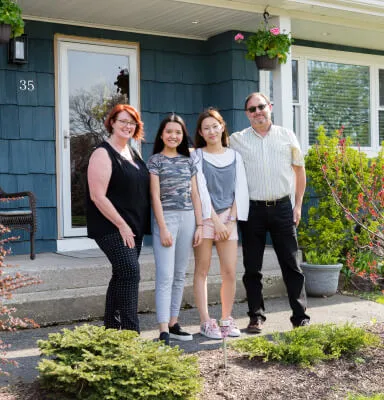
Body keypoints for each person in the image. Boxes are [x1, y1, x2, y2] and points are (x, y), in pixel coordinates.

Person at [230, 92, 310, 333]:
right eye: (252, 109)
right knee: (252, 267)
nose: (257, 112)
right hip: (252, 211)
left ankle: (300, 316)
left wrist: (298, 205)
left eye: (261, 107)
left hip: (282, 208)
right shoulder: (237, 139)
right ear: (247, 114)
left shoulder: (287, 136)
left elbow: (299, 172)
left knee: (291, 264)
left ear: (270, 107)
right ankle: (256, 316)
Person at [86, 104, 150, 333]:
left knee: (121, 274)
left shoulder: (132, 152)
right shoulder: (103, 153)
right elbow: (97, 196)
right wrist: (122, 225)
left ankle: (111, 330)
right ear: (112, 122)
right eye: (122, 121)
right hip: (111, 226)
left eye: (132, 122)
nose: (127, 126)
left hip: (133, 226)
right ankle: (132, 333)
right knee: (131, 273)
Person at [193, 108, 249, 339]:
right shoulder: (197, 156)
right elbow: (201, 191)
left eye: (215, 126)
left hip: (229, 220)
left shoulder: (235, 156)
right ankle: (206, 321)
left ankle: (226, 319)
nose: (211, 131)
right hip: (206, 220)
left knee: (229, 272)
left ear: (222, 126)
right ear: (201, 132)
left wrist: (231, 219)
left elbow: (241, 188)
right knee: (202, 271)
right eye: (206, 128)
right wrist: (216, 222)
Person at [147, 114, 203, 345]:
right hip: (166, 219)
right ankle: (162, 330)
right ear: (162, 135)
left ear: (183, 135)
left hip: (188, 218)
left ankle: (173, 322)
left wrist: (200, 224)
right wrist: (163, 227)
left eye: (178, 132)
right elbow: (154, 196)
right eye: (169, 132)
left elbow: (195, 194)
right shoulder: (155, 161)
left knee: (180, 274)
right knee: (166, 275)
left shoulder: (188, 160)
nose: (173, 136)